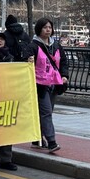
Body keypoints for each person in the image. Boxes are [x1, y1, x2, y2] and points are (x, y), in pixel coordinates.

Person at [31, 18, 68, 154]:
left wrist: (64, 75)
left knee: (47, 112)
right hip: (39, 84)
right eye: (45, 27)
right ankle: (51, 142)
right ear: (39, 29)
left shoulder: (56, 46)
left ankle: (37, 139)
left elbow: (63, 61)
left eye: (49, 27)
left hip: (54, 83)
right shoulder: (33, 46)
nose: (48, 30)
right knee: (46, 112)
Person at [0, 29, 18, 171]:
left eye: (2, 39)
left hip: (5, 97)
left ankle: (6, 159)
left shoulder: (10, 57)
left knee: (6, 128)